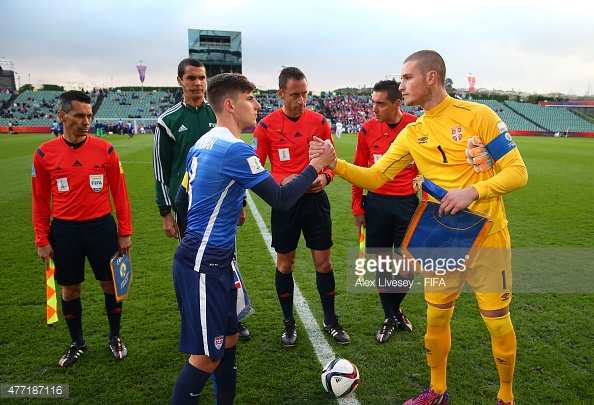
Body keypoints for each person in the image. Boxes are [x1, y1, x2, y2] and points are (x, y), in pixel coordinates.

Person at [310, 50, 527, 405]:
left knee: (497, 322)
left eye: (407, 78)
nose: (401, 85)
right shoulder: (414, 132)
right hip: (442, 238)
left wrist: (473, 190)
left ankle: (506, 397)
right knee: (436, 321)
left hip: (487, 236)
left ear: (431, 78)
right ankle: (437, 391)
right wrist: (337, 163)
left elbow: (518, 172)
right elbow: (378, 176)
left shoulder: (479, 116)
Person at [169, 72, 336, 404]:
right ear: (230, 105)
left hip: (212, 260)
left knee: (229, 342)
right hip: (206, 266)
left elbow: (181, 201)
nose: (258, 104)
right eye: (250, 98)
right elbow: (282, 199)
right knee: (207, 356)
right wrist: (317, 165)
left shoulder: (204, 141)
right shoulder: (234, 150)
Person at [31, 90, 133, 367]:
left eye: (89, 115)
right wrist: (42, 237)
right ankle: (78, 342)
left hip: (101, 227)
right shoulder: (43, 154)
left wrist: (124, 232)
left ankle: (114, 336)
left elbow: (120, 194)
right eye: (80, 116)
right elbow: (40, 200)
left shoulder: (106, 149)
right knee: (70, 290)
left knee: (110, 285)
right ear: (62, 116)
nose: (86, 121)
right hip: (64, 231)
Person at [153, 57, 250, 340]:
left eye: (202, 77)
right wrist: (166, 213)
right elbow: (161, 170)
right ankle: (196, 318)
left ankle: (232, 316)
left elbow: (233, 162)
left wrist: (241, 203)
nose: (197, 83)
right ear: (180, 81)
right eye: (191, 78)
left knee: (228, 259)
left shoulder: (217, 113)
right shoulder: (168, 121)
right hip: (187, 207)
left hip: (221, 205)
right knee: (195, 263)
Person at [253, 67, 350, 347]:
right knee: (285, 265)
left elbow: (332, 161)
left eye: (305, 93)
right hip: (286, 202)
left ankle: (330, 321)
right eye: (295, 95)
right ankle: (289, 324)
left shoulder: (319, 122)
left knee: (324, 263)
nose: (302, 100)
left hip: (315, 202)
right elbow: (256, 169)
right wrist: (284, 178)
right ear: (281, 93)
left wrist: (325, 177)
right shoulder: (266, 126)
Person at [351, 80, 419, 343]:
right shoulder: (367, 129)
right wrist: (358, 207)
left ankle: (393, 310)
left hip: (407, 205)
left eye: (381, 103)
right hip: (376, 203)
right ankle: (391, 316)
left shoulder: (415, 126)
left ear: (397, 103)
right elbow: (359, 170)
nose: (374, 108)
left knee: (408, 265)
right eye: (373, 102)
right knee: (381, 263)